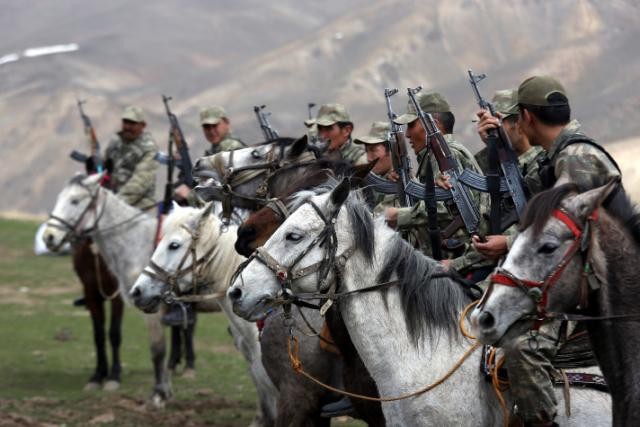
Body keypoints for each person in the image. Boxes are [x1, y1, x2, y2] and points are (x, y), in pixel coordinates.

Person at [477, 76, 620, 426]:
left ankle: (541, 422)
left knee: (522, 343)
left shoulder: (575, 157)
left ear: (525, 116)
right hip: (583, 272)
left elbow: (564, 238)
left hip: (600, 281)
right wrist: (494, 147)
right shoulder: (565, 153)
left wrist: (508, 245)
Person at [384, 92, 491, 279]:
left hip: (463, 263)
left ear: (434, 124)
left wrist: (398, 216)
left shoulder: (448, 155)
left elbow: (449, 205)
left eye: (412, 125)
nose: (408, 134)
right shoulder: (435, 156)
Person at [472, 89, 545, 260]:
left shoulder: (544, 159)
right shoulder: (501, 159)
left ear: (519, 122)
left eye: (498, 122)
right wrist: (491, 148)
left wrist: (509, 242)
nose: (492, 128)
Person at [174, 106, 245, 202]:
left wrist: (191, 196)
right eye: (206, 127)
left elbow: (224, 188)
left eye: (215, 125)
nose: (211, 131)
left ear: (227, 123)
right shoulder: (214, 150)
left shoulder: (229, 147)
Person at [104, 106, 159, 210]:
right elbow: (104, 167)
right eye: (125, 122)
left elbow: (139, 183)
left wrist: (115, 204)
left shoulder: (149, 149)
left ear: (143, 125)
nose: (128, 127)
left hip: (140, 207)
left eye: (132, 124)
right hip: (112, 201)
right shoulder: (116, 142)